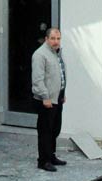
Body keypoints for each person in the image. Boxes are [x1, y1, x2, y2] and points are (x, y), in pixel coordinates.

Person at [31, 27, 67, 172]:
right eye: (52, 39)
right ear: (46, 39)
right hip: (46, 99)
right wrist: (45, 97)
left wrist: (62, 93)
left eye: (58, 38)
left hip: (57, 97)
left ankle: (51, 155)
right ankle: (43, 160)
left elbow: (60, 74)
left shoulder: (57, 53)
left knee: (55, 129)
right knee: (45, 131)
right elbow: (38, 80)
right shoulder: (40, 55)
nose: (56, 41)